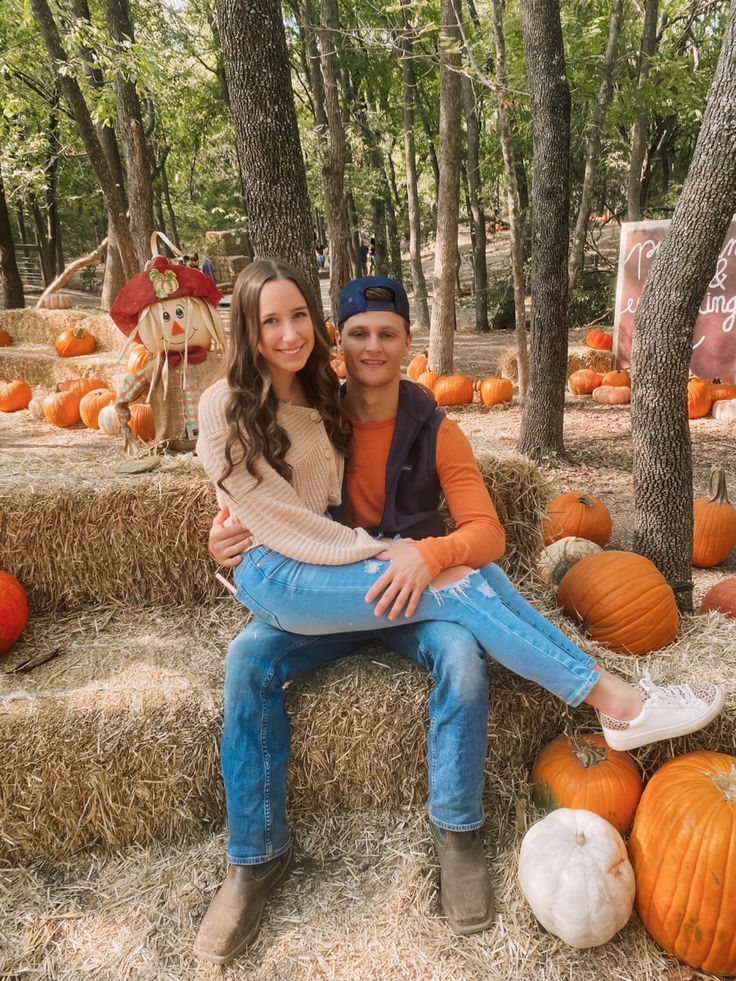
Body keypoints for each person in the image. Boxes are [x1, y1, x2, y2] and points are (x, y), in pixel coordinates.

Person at [193, 261, 724, 963]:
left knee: (462, 654)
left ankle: (458, 832)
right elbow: (272, 512)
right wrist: (222, 536)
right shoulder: (299, 406)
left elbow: (488, 535)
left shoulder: (432, 429)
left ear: (409, 339)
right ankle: (254, 858)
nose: (372, 347)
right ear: (340, 341)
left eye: (387, 333)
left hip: (398, 589)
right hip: (335, 587)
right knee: (246, 658)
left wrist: (425, 553)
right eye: (357, 333)